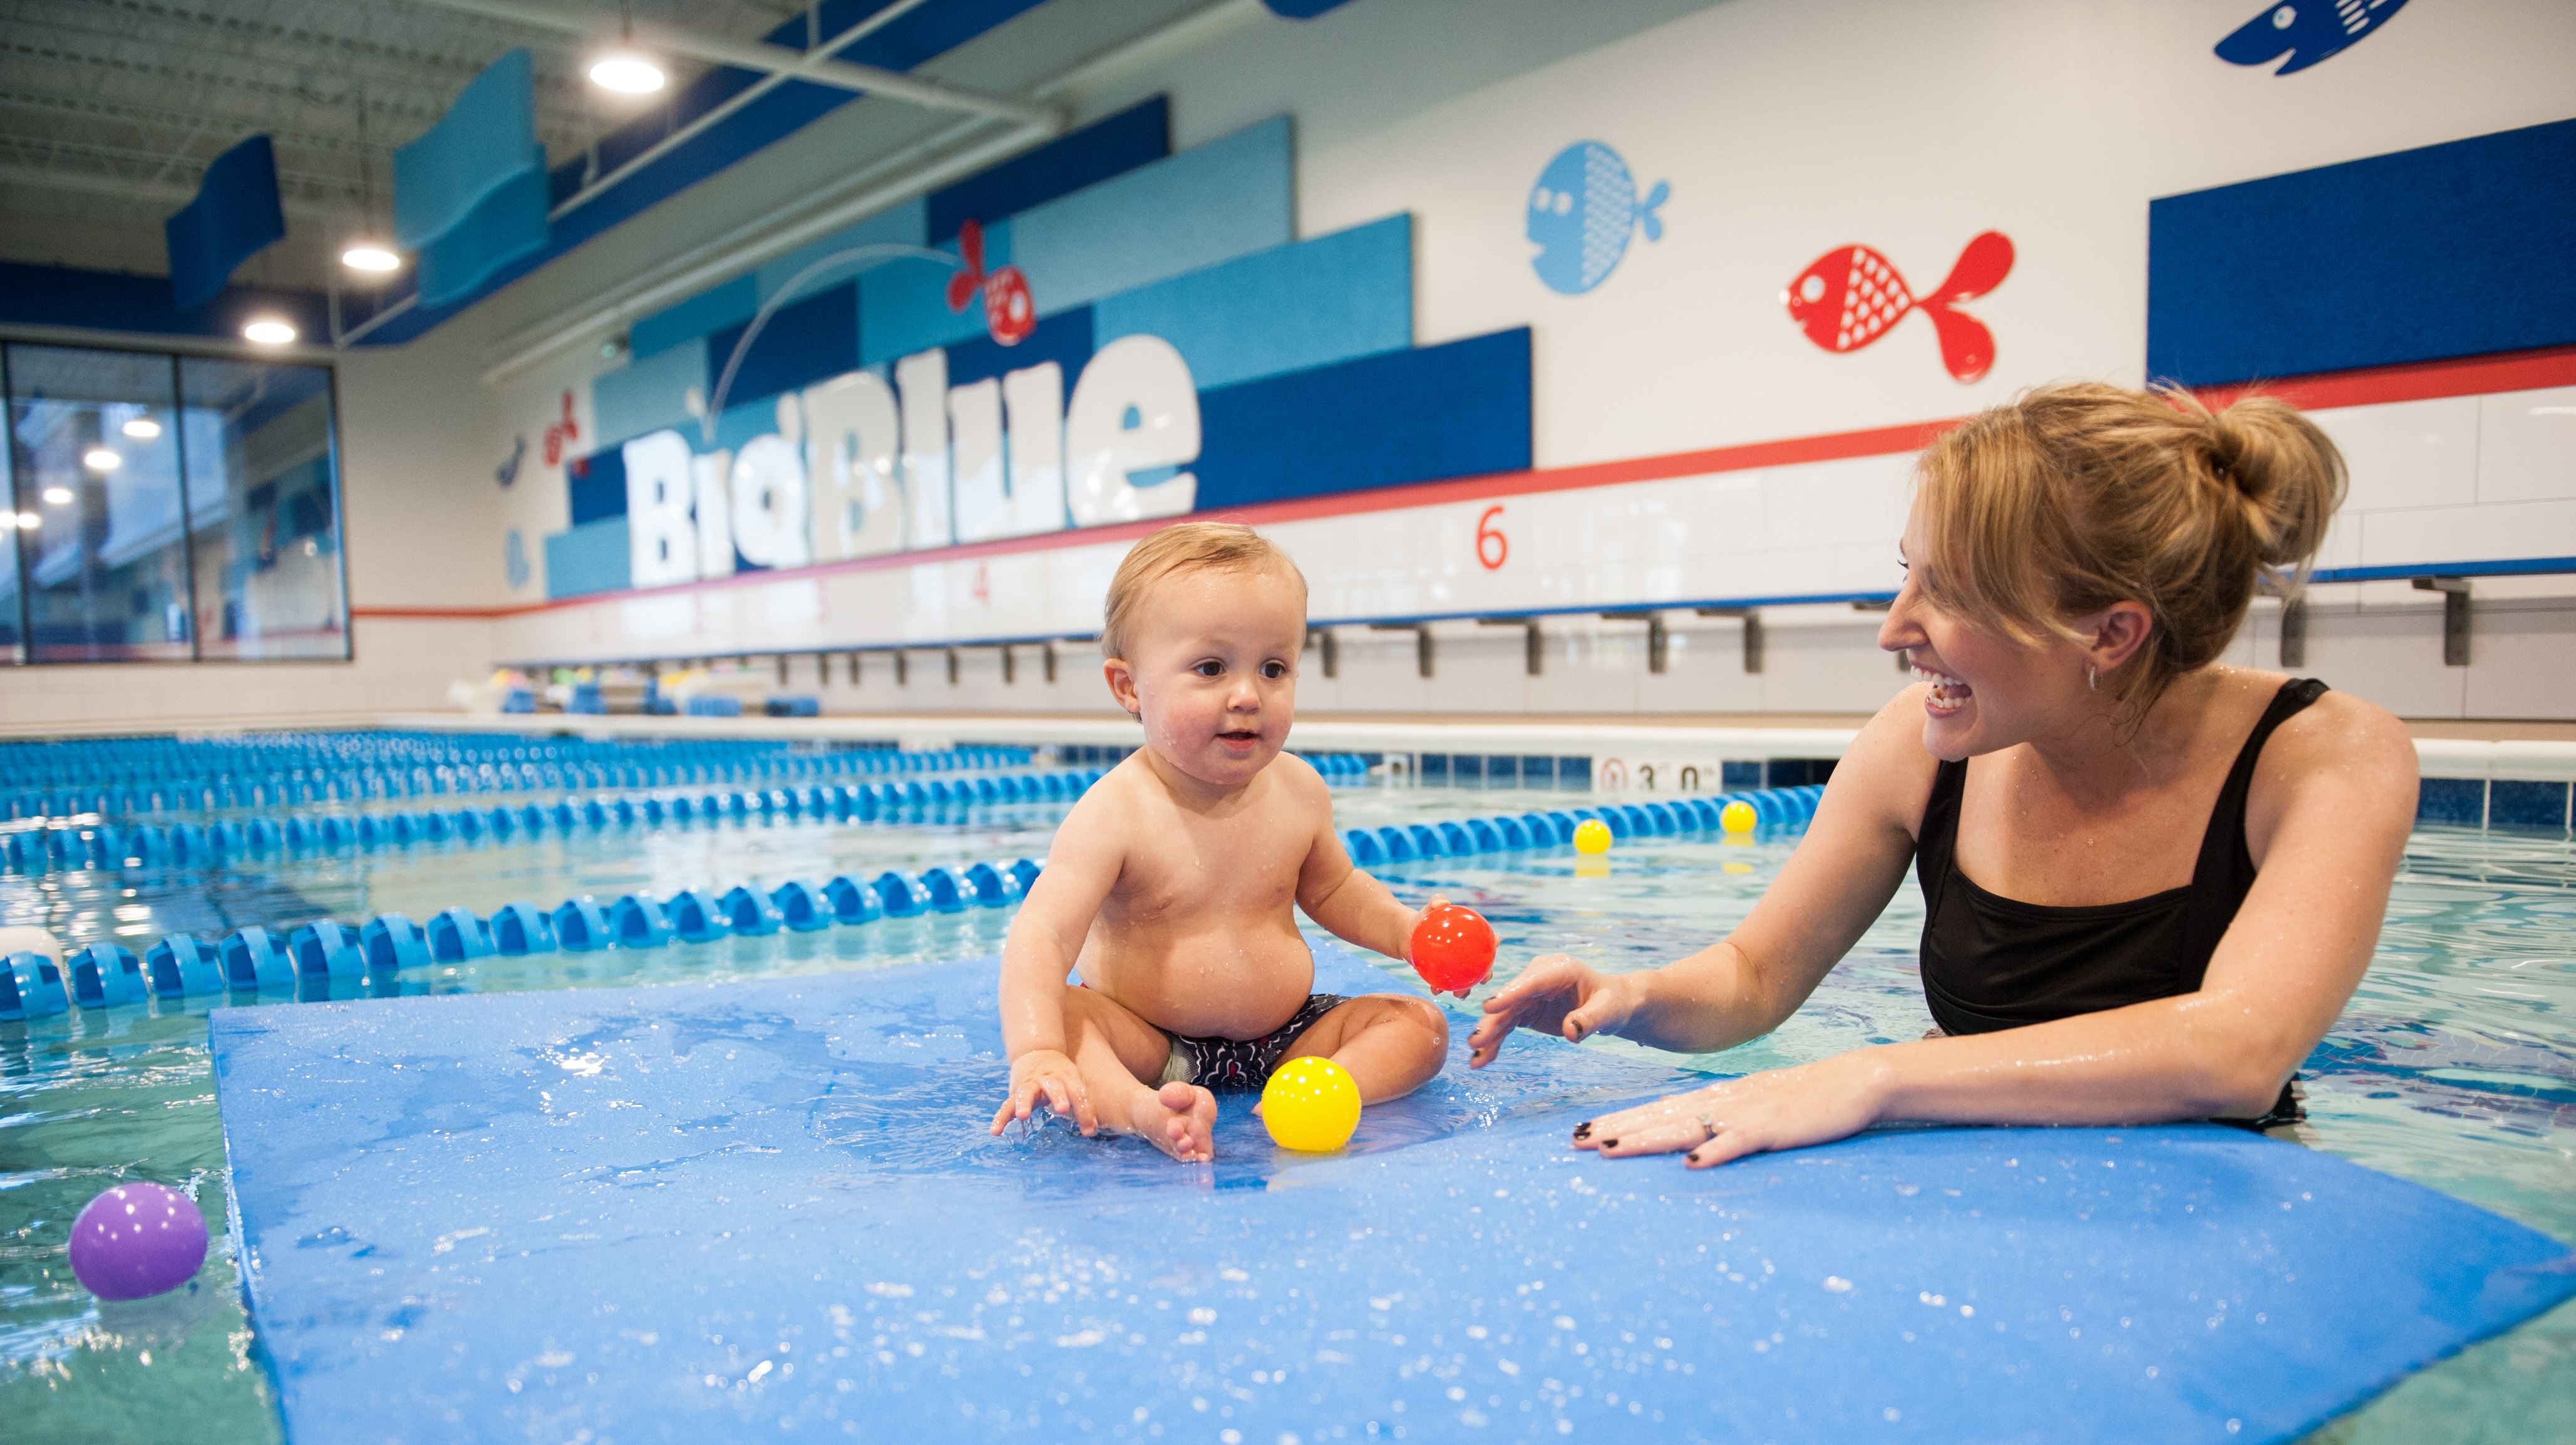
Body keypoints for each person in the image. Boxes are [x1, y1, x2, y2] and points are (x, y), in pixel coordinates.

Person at [1467, 382, 2417, 1167]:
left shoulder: (2323, 757)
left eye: (1950, 590)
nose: (1893, 626)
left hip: (2209, 1200)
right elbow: (1754, 975)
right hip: (1958, 1180)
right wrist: (1626, 995)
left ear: (2110, 631)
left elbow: (2236, 1052)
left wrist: (1871, 1075)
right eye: (1905, 573)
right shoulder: (1911, 748)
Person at [989, 522, 1450, 1162]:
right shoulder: (1114, 813)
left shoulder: (1298, 790)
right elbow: (1042, 935)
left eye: (1273, 668)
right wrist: (1036, 1049)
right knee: (1067, 1021)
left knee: (1419, 1027)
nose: (1246, 696)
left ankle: (1323, 1089)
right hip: (1150, 1044)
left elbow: (1336, 888)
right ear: (1128, 688)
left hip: (1285, 1039)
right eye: (1210, 668)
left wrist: (1406, 934)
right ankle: (1139, 1109)